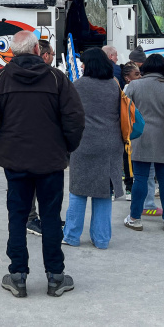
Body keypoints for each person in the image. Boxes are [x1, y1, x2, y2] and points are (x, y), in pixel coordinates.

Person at [0, 31, 85, 298]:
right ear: (38, 49)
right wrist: (66, 147)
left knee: (17, 215)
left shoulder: (0, 79)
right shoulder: (56, 78)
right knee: (50, 217)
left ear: (13, 51)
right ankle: (56, 276)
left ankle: (17, 275)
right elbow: (75, 118)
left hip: (14, 160)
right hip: (49, 160)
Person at [62, 49, 124, 249]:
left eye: (84, 63)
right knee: (103, 193)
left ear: (90, 64)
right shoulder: (115, 86)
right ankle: (102, 239)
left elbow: (67, 115)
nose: (81, 65)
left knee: (78, 191)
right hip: (110, 145)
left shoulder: (78, 86)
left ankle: (71, 236)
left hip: (84, 144)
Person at [123, 53, 164, 233]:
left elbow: (123, 110)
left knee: (140, 178)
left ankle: (135, 218)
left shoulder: (134, 86)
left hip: (140, 137)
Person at [27, 38, 56, 236]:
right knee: (36, 184)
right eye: (53, 54)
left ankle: (34, 217)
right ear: (44, 55)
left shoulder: (6, 75)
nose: (53, 57)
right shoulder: (53, 77)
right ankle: (31, 219)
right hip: (43, 143)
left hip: (20, 143)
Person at [120, 62, 141, 201]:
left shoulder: (135, 87)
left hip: (134, 129)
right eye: (136, 74)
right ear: (127, 77)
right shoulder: (127, 90)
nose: (140, 77)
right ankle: (129, 187)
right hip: (130, 130)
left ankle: (130, 186)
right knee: (128, 160)